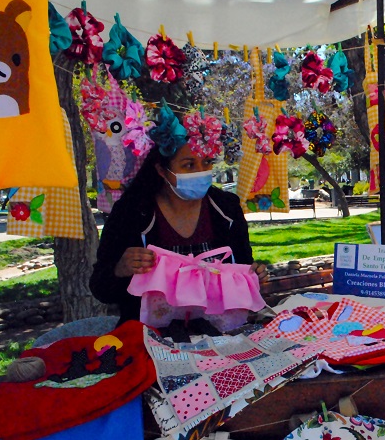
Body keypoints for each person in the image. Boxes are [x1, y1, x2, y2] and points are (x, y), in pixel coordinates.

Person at [90, 108, 268, 329]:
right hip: (150, 339)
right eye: (189, 165)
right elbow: (100, 288)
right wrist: (120, 269)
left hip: (222, 336)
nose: (201, 172)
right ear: (162, 171)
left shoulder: (227, 209)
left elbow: (242, 267)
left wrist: (254, 276)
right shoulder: (132, 212)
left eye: (206, 162)